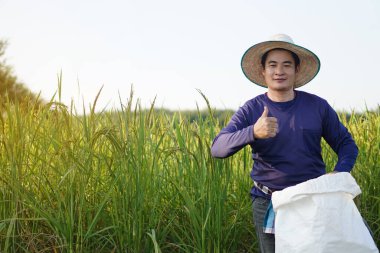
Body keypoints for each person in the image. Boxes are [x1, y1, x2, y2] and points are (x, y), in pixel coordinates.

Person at [210, 34, 359, 253]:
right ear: (263, 71)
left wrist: (340, 171)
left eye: (287, 65)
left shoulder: (317, 106)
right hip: (268, 202)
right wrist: (253, 131)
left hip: (313, 201)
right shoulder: (252, 109)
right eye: (272, 65)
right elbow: (218, 148)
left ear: (296, 71)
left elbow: (346, 144)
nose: (279, 71)